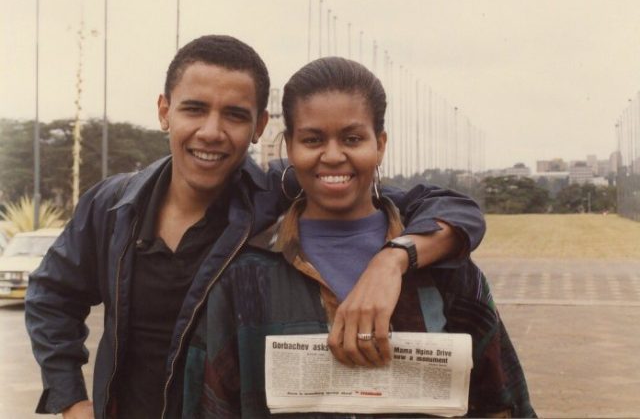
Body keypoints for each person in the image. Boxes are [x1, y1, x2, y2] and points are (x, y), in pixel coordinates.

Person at [25, 36, 485, 419]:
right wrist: (71, 400)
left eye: (235, 115)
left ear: (261, 126)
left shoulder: (273, 195)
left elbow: (442, 207)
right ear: (164, 111)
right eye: (194, 109)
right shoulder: (112, 206)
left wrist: (394, 258)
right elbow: (50, 296)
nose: (211, 131)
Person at [183, 57, 535, 418]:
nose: (333, 156)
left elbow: (502, 402)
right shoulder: (244, 275)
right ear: (289, 146)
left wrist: (394, 261)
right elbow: (212, 404)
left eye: (352, 138)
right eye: (313, 139)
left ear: (379, 144)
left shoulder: (444, 269)